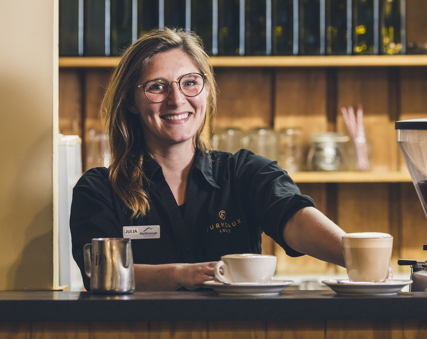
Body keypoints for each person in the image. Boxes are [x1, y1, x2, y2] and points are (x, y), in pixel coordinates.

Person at [70, 27, 347, 291]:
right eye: (157, 87)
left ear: (207, 90)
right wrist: (181, 274)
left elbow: (295, 218)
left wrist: (356, 255)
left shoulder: (245, 173)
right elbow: (100, 274)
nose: (176, 100)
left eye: (190, 82)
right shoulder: (99, 191)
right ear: (131, 101)